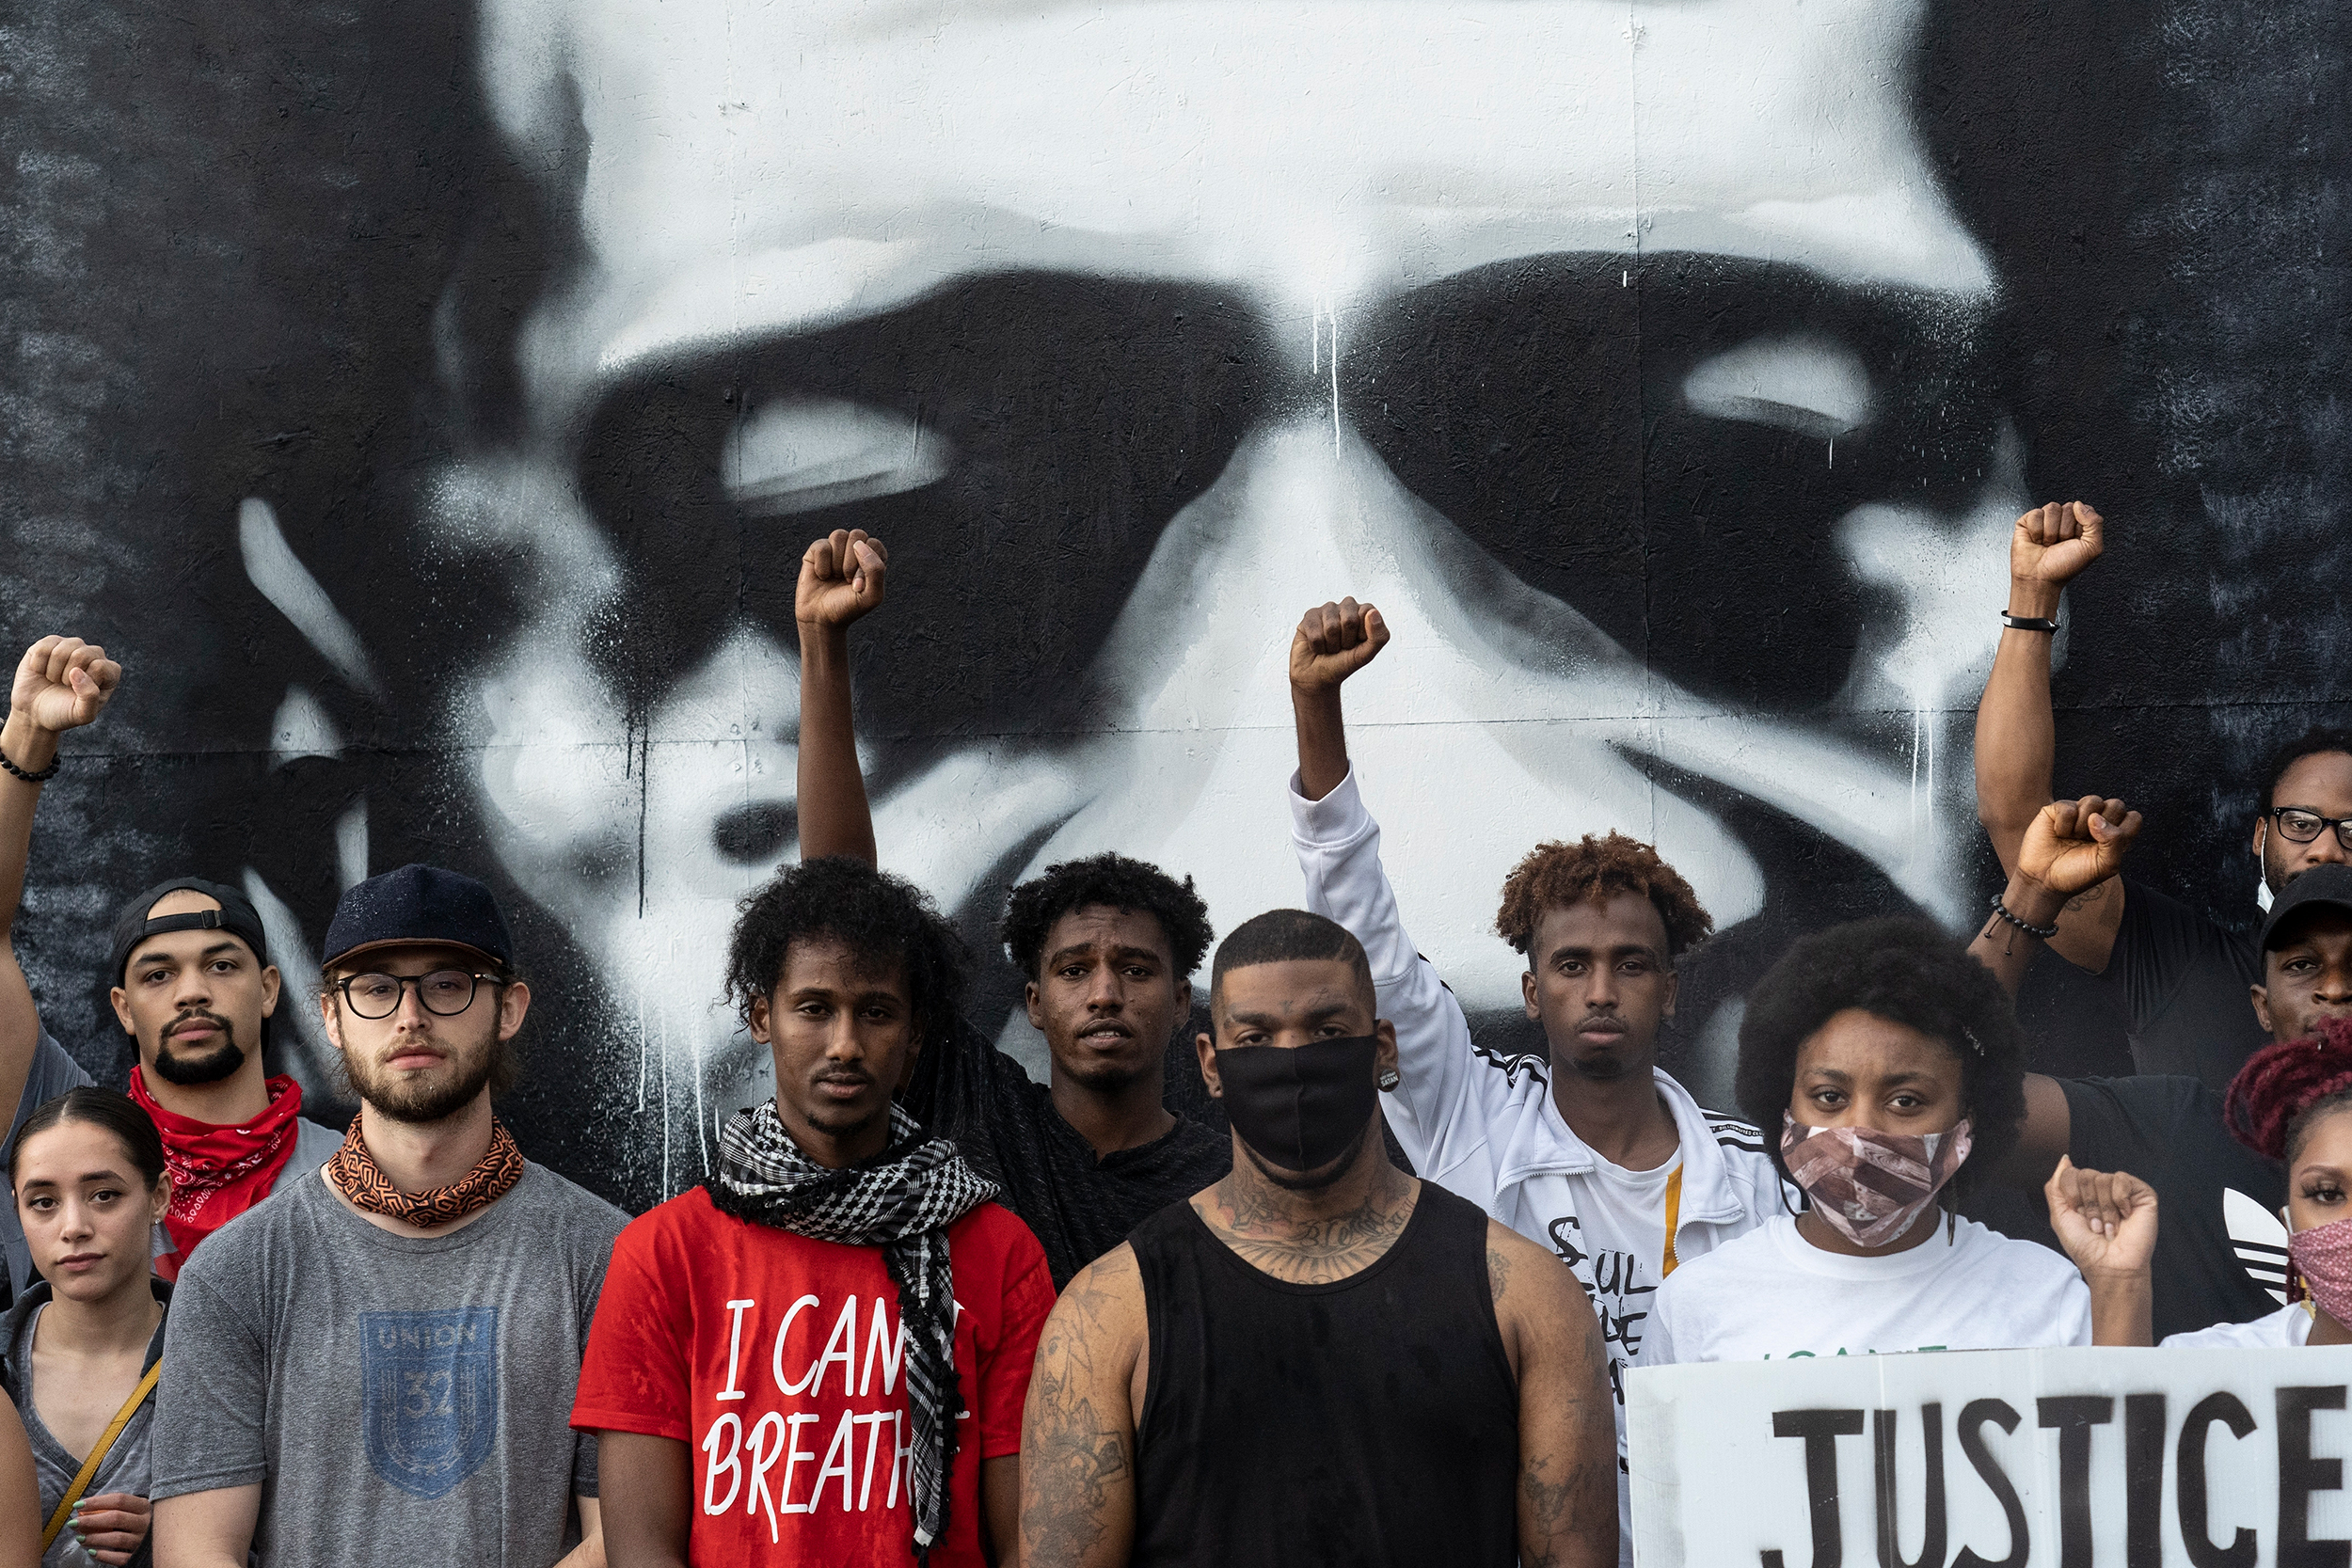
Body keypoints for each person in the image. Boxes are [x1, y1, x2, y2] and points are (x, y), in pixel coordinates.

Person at [1282, 595, 1781, 1563]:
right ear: (1531, 986)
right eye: (1571, 964)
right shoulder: (1471, 1111)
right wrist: (1316, 712)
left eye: (1630, 964)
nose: (1600, 988)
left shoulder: (1749, 1174)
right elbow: (1365, 937)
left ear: (1670, 990)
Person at [1018, 908, 1617, 1568]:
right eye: (1257, 1036)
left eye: (1327, 1030)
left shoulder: (1527, 1297)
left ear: (1382, 1047)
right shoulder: (1108, 1315)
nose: (1294, 1060)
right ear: (1212, 1064)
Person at [577, 855, 1051, 1567]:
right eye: (814, 1007)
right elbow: (642, 1548)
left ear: (915, 1033)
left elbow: (1027, 1541)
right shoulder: (664, 1252)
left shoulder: (997, 1249)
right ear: (761, 1014)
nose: (846, 1045)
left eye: (878, 1012)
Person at [151, 863, 627, 1568]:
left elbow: (623, 1534)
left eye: (447, 982)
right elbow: (195, 1553)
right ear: (332, 1016)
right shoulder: (235, 1272)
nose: (410, 1015)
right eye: (375, 987)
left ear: (510, 1007)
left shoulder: (607, 1254)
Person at [792, 529, 1231, 1286]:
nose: (1104, 992)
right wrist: (821, 646)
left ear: (1184, 1000)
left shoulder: (1231, 1185)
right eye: (1072, 969)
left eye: (1135, 968)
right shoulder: (982, 1111)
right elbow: (845, 915)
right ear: (1032, 1000)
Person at [0, 634, 340, 1294]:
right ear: (122, 1005)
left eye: (221, 966)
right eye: (158, 973)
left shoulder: (352, 1171)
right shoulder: (66, 1136)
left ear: (269, 989)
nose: (192, 991)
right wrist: (26, 738)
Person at [1975, 499, 2352, 1090]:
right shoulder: (2182, 966)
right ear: (2259, 836)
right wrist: (2032, 597)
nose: (2327, 849)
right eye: (2301, 822)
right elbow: (2020, 820)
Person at [1646, 916, 2137, 1365]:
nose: (1861, 1131)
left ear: (1968, 1120)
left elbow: (2116, 1454)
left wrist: (2120, 1285)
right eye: (1829, 1096)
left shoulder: (2043, 1297)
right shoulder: (1699, 1303)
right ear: (1784, 1109)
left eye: (1905, 1101)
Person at [1964, 794, 2303, 1338]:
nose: (2336, 987)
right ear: (2262, 1002)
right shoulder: (2178, 1129)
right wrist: (2031, 896)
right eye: (2305, 965)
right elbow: (1943, 1107)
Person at [2, 1090, 173, 1567]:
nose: (73, 1226)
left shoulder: (224, 1358)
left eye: (104, 1195)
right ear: (15, 1207)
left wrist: (179, 1533)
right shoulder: (5, 1362)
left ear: (158, 1195)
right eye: (43, 1202)